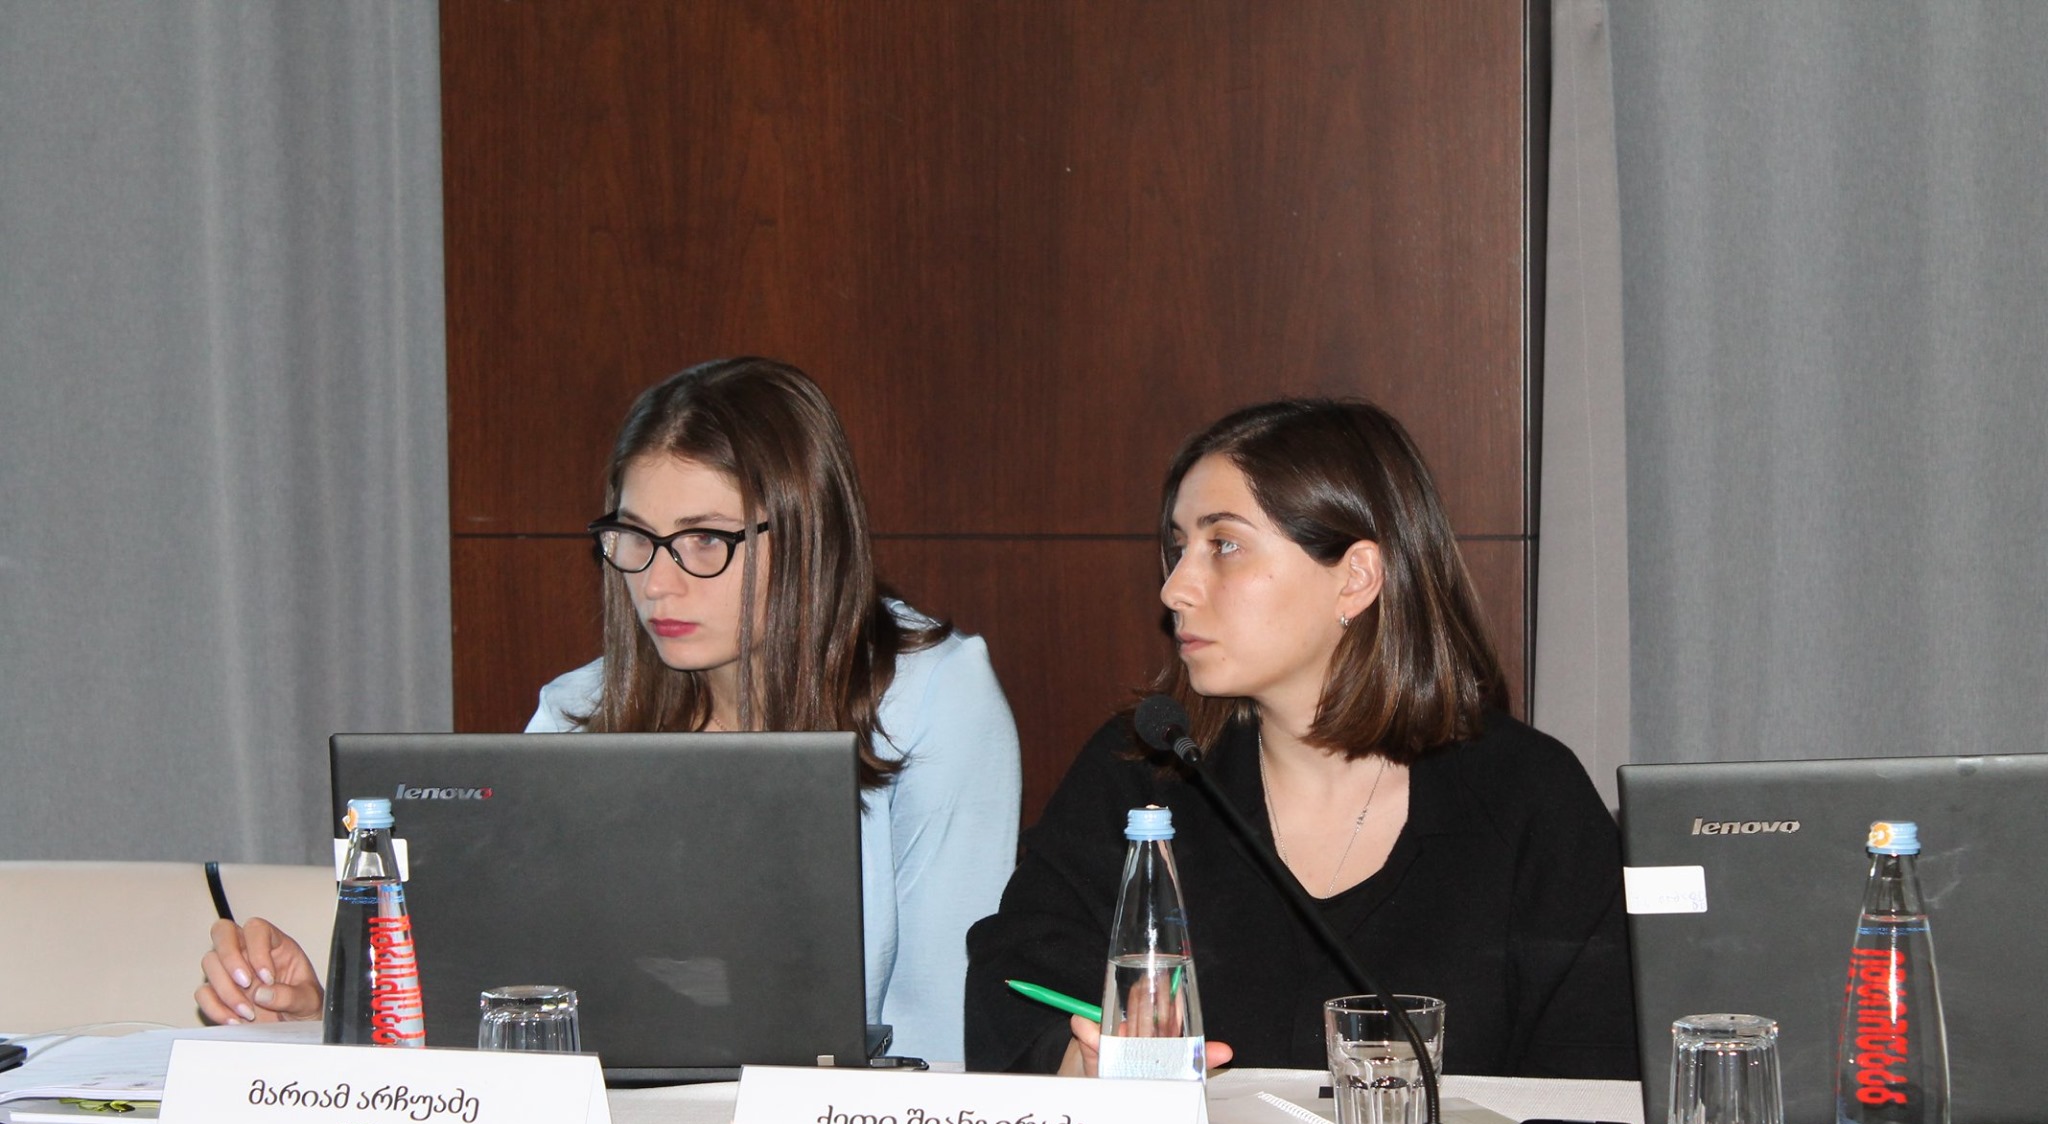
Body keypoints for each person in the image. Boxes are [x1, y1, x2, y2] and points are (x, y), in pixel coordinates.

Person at [200, 357, 1022, 1062]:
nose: (656, 582)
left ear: (809, 536)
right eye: (633, 536)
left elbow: (944, 1033)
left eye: (705, 539)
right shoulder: (575, 713)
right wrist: (327, 1014)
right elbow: (496, 1008)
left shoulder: (935, 698)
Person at [964, 397, 1636, 1080]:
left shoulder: (1526, 796)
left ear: (1356, 578)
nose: (1175, 589)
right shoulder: (1145, 769)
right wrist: (1082, 1063)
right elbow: (1016, 976)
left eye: (1223, 546)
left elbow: (1596, 1071)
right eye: (1178, 548)